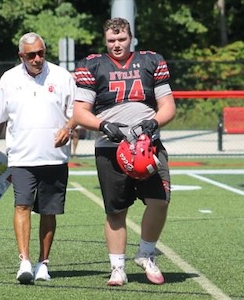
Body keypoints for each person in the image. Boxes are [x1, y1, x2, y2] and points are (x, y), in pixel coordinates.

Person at [73, 18, 176, 286]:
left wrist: (154, 122)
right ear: (105, 41)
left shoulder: (152, 61)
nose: (116, 45)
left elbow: (168, 106)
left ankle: (145, 254)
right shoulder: (92, 65)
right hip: (111, 147)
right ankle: (117, 267)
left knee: (159, 200)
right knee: (116, 210)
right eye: (111, 41)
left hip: (148, 144)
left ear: (131, 38)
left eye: (121, 40)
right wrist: (104, 125)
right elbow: (80, 113)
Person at [0, 32, 76, 284]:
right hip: (21, 157)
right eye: (31, 55)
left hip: (54, 158)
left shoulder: (62, 76)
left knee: (49, 211)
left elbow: (75, 113)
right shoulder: (9, 78)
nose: (37, 58)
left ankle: (43, 263)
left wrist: (68, 129)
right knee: (22, 205)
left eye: (41, 53)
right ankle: (24, 261)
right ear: (21, 56)